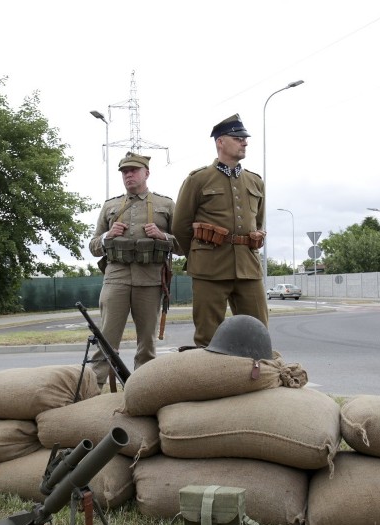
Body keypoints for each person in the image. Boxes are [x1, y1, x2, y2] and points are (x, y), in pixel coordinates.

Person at [172, 114, 268, 347]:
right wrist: (199, 254)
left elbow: (258, 224)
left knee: (258, 332)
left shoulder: (255, 181)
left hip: (248, 268)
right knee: (208, 337)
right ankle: (210, 382)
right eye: (238, 138)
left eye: (245, 138)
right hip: (209, 269)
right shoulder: (198, 179)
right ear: (220, 142)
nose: (244, 142)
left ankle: (256, 381)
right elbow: (180, 226)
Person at [88, 152, 178, 388]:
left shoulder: (165, 205)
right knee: (106, 339)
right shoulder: (110, 206)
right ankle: (91, 389)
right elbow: (94, 246)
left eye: (133, 170)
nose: (128, 175)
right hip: (116, 278)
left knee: (146, 343)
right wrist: (108, 235)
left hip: (150, 280)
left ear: (146, 173)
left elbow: (182, 245)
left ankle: (143, 390)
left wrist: (163, 236)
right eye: (124, 172)